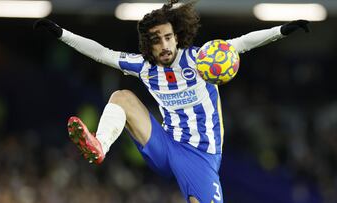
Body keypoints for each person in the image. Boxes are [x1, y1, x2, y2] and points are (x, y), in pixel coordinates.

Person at [34, 0, 309, 202]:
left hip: (200, 155)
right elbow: (101, 53)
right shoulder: (143, 66)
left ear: (176, 37)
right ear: (148, 45)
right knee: (122, 98)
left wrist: (283, 30)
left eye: (168, 37)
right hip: (165, 145)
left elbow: (243, 42)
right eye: (157, 40)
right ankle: (100, 144)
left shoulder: (201, 58)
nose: (164, 45)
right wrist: (61, 33)